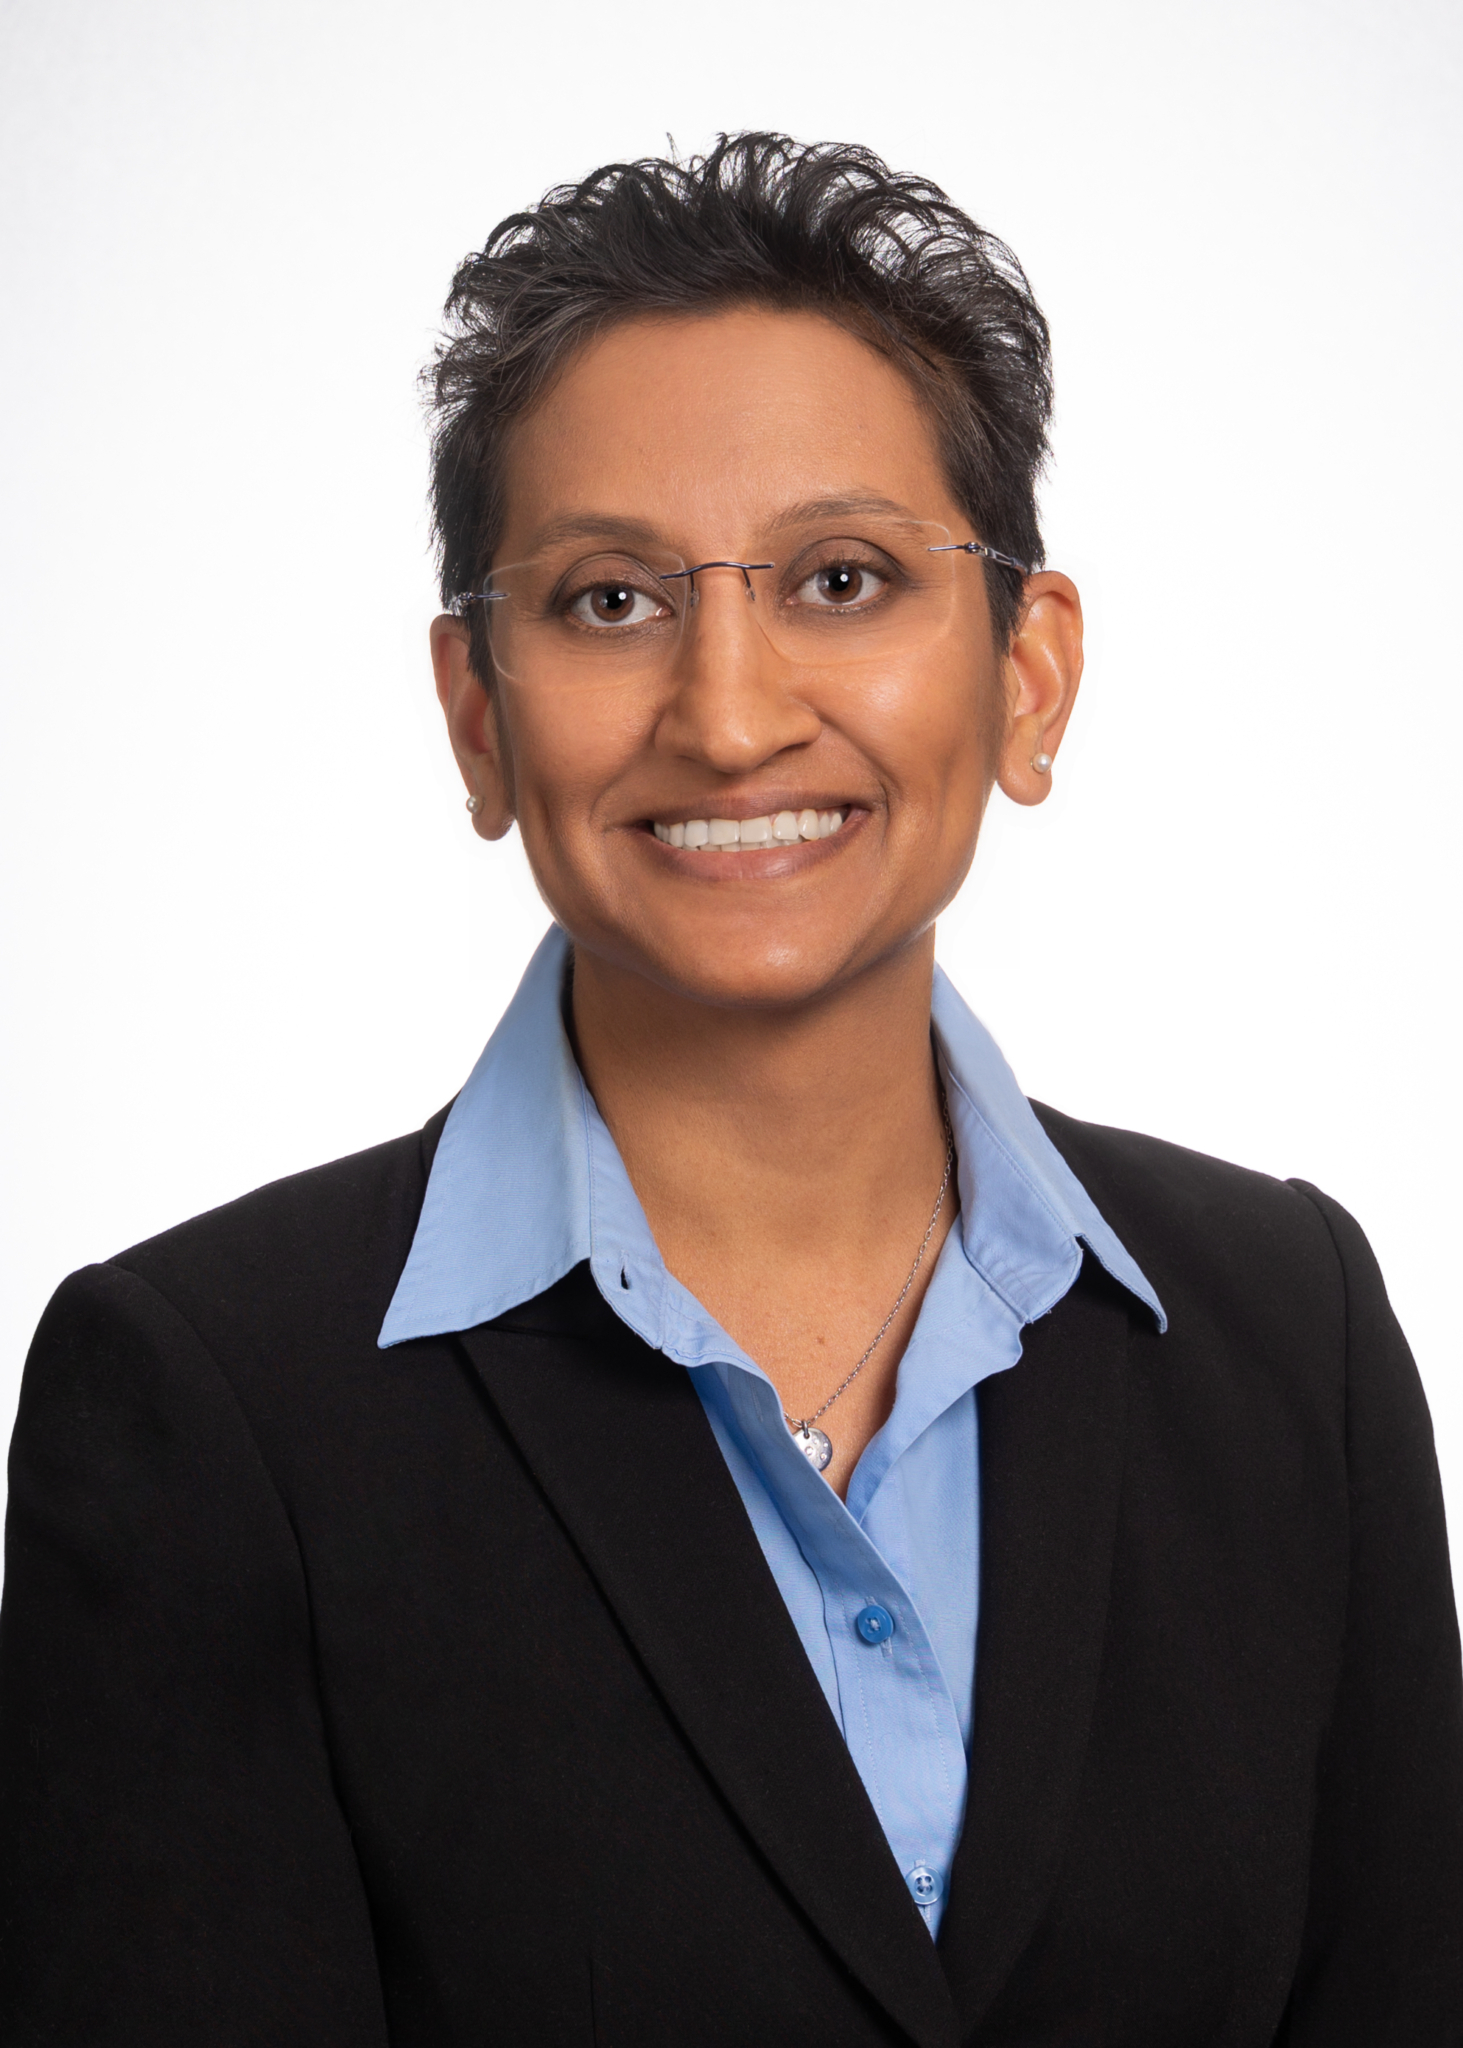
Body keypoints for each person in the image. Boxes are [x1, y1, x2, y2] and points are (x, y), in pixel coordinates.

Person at [1, 133, 1459, 2047]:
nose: (731, 711)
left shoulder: (1290, 1332)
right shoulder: (205, 1407)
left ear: (1028, 677)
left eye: (843, 578)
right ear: (477, 714)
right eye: (610, 601)